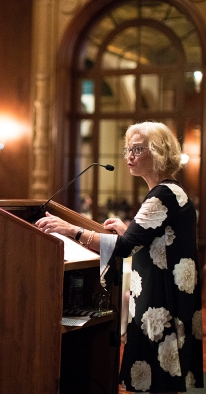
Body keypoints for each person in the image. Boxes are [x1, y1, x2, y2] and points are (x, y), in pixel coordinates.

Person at [35, 122, 203, 393]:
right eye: (128, 149)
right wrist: (128, 233)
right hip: (171, 297)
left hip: (161, 302)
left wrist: (71, 230)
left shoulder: (161, 195)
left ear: (158, 152)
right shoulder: (173, 191)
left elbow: (124, 248)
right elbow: (153, 240)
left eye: (137, 149)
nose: (129, 156)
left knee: (158, 382)